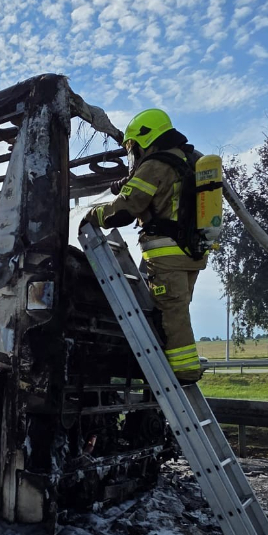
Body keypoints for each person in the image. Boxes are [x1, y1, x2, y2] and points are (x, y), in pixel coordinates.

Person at [88, 108, 207, 383]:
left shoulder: (154, 165)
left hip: (167, 253)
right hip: (191, 253)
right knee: (177, 306)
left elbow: (125, 210)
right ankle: (178, 363)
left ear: (145, 138)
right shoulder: (185, 161)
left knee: (171, 311)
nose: (134, 153)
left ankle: (184, 371)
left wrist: (92, 215)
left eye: (133, 147)